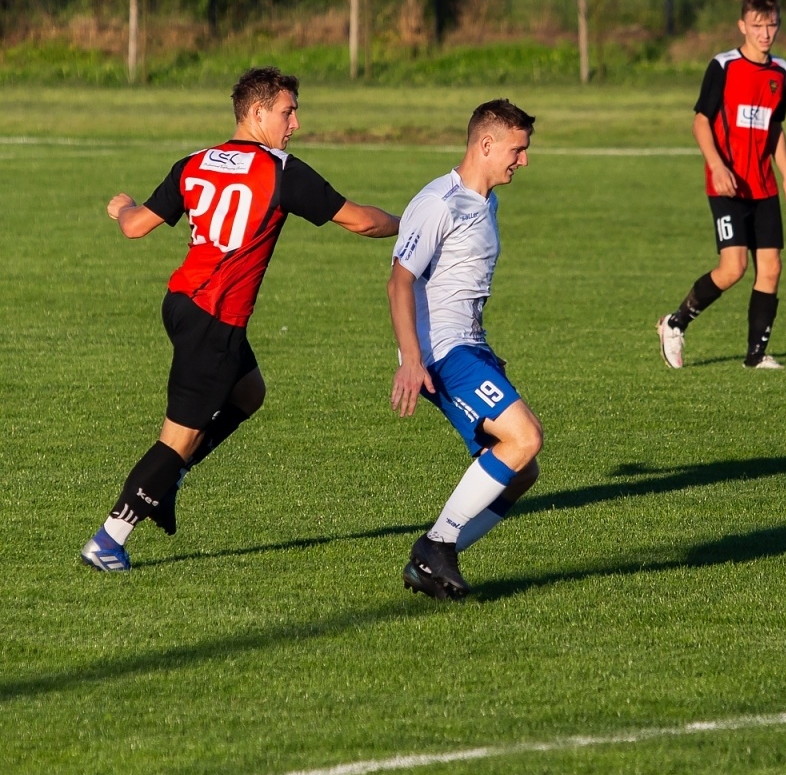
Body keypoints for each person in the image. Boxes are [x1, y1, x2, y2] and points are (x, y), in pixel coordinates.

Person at [80, 67, 400, 572]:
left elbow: (136, 227)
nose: (295, 123)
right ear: (256, 113)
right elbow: (360, 220)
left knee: (249, 393)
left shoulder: (194, 163)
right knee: (177, 439)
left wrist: (124, 207)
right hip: (215, 320)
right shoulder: (280, 170)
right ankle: (108, 539)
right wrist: (411, 226)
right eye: (287, 111)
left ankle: (167, 485)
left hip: (182, 304)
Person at [389, 99, 542, 601]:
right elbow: (398, 282)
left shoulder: (483, 201)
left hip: (468, 348)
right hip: (440, 353)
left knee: (522, 470)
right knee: (524, 439)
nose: (523, 161)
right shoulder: (441, 202)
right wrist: (412, 358)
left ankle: (433, 557)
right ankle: (436, 546)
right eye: (517, 150)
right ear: (486, 144)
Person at [657, 0, 786, 370]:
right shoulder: (723, 66)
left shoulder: (781, 72)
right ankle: (675, 323)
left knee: (771, 268)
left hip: (764, 185)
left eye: (771, 25)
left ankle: (755, 356)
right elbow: (700, 120)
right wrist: (717, 166)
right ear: (742, 26)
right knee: (734, 268)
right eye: (757, 25)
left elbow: (775, 127)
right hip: (728, 185)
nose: (765, 33)